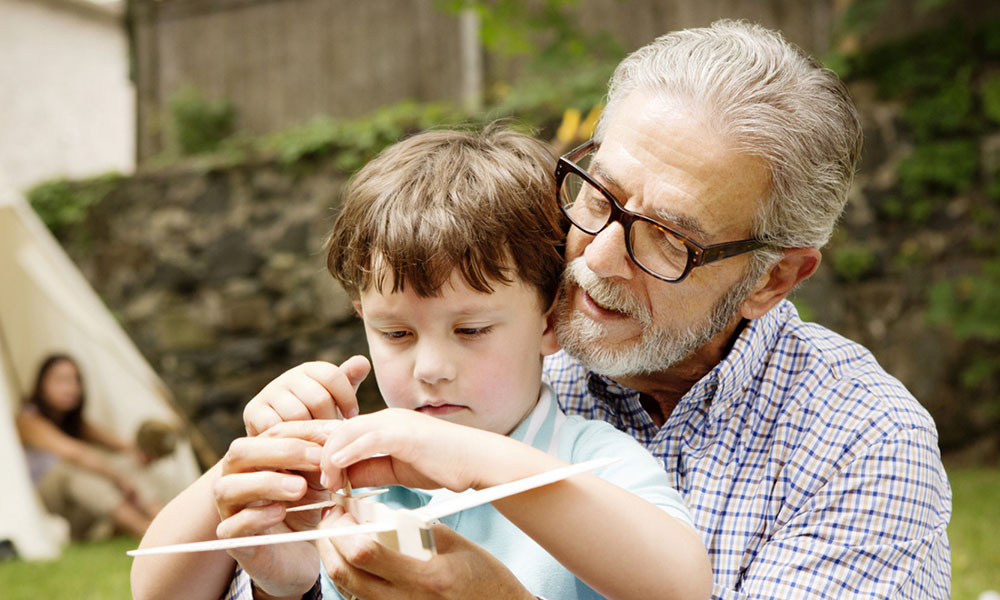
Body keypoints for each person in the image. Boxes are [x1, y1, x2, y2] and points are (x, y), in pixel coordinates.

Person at [138, 19, 952, 599]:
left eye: (665, 237)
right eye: (598, 193)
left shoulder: (861, 444)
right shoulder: (492, 354)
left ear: (775, 279)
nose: (591, 257)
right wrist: (253, 501)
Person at [132, 126, 711, 600]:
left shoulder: (589, 460)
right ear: (361, 315)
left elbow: (679, 585)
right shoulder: (347, 474)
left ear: (552, 320)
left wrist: (468, 460)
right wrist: (254, 473)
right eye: (396, 332)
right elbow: (154, 590)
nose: (430, 366)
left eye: (471, 329)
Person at [16, 354, 164, 540]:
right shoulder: (27, 420)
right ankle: (148, 532)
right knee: (73, 470)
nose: (70, 388)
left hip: (79, 509)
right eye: (61, 380)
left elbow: (122, 446)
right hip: (46, 507)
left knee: (126, 462)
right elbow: (76, 454)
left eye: (75, 380)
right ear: (41, 385)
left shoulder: (74, 422)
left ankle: (164, 519)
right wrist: (120, 479)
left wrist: (142, 453)